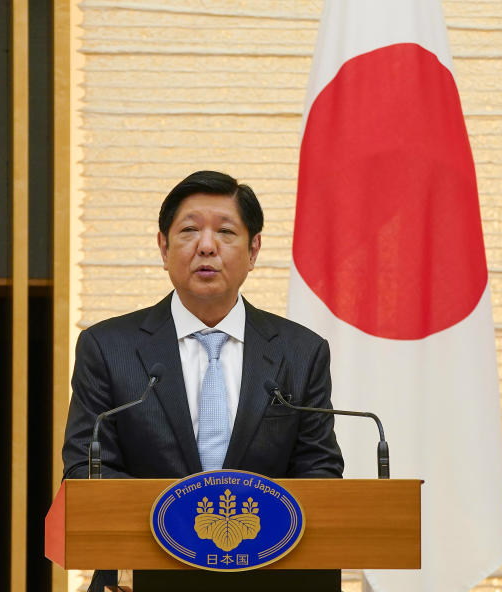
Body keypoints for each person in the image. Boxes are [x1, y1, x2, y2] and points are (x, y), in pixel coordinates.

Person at [60, 170, 343, 589]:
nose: (206, 246)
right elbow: (87, 470)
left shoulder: (301, 352)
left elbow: (319, 469)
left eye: (226, 232)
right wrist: (184, 527)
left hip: (272, 576)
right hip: (147, 577)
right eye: (189, 230)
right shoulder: (107, 347)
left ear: (254, 249)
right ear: (163, 245)